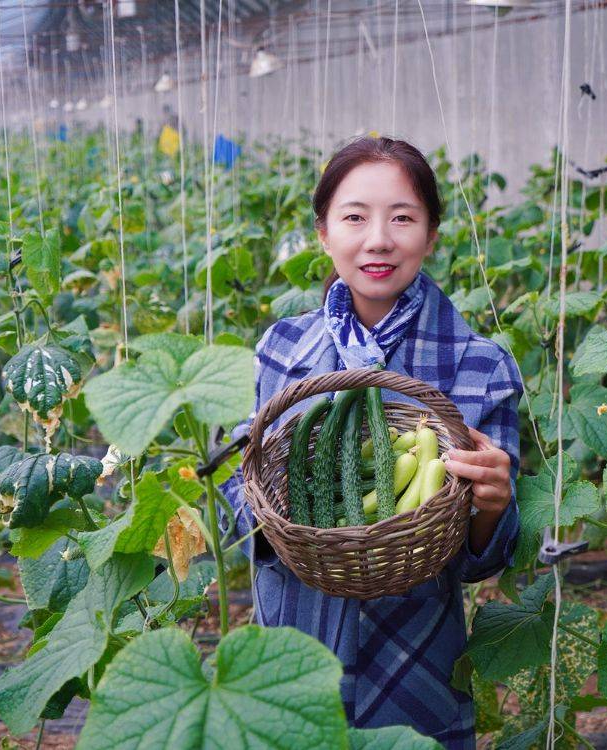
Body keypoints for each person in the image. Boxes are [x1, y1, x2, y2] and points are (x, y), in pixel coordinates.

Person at [218, 135, 523, 750]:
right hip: (290, 648)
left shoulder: (479, 366)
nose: (378, 239)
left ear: (432, 234)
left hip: (413, 658)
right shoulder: (279, 349)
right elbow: (235, 499)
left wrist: (493, 506)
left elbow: (478, 562)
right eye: (354, 217)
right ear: (324, 233)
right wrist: (273, 513)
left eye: (403, 218)